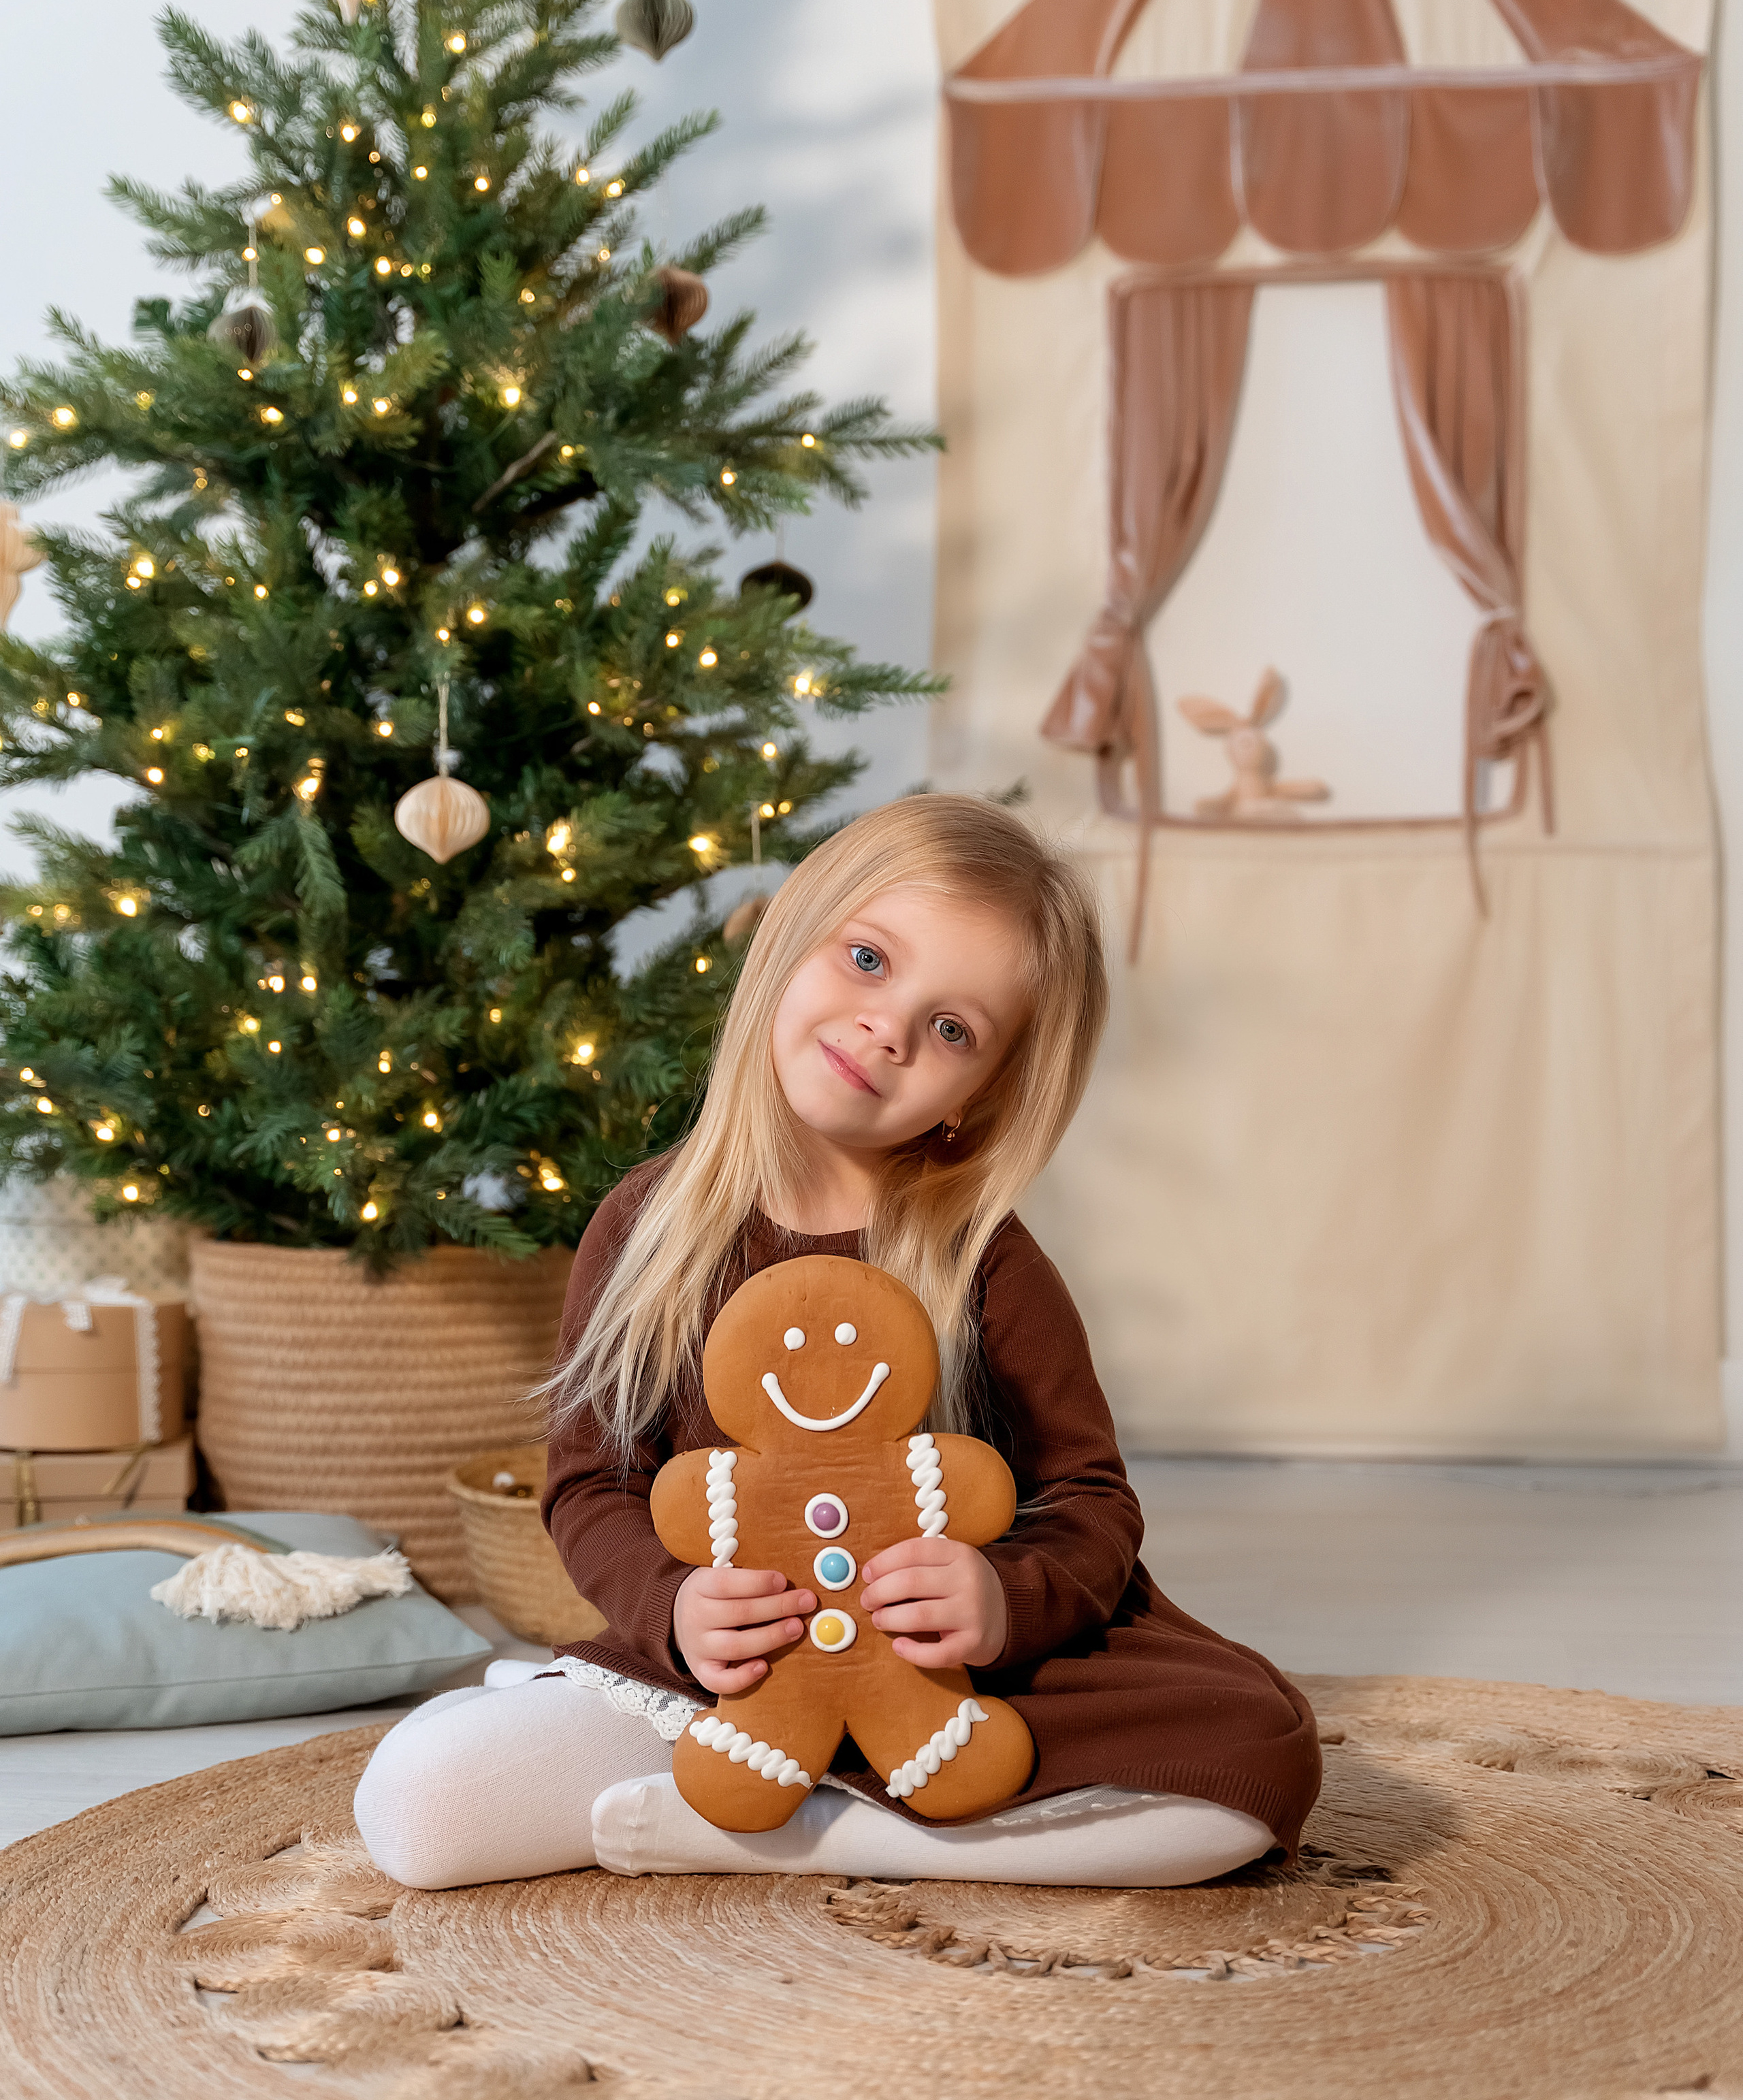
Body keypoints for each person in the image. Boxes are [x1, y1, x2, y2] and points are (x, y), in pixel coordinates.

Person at [355, 794, 1320, 1890]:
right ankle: (790, 1790)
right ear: (789, 943)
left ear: (982, 1096)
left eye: (953, 1029)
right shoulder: (648, 1227)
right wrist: (675, 1611)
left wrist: (1000, 1600)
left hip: (961, 1683)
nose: (890, 1029)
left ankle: (829, 1838)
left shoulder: (982, 1258)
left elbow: (1091, 1499)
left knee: (1251, 1763)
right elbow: (591, 1488)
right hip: (737, 1674)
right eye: (867, 959)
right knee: (419, 1805)